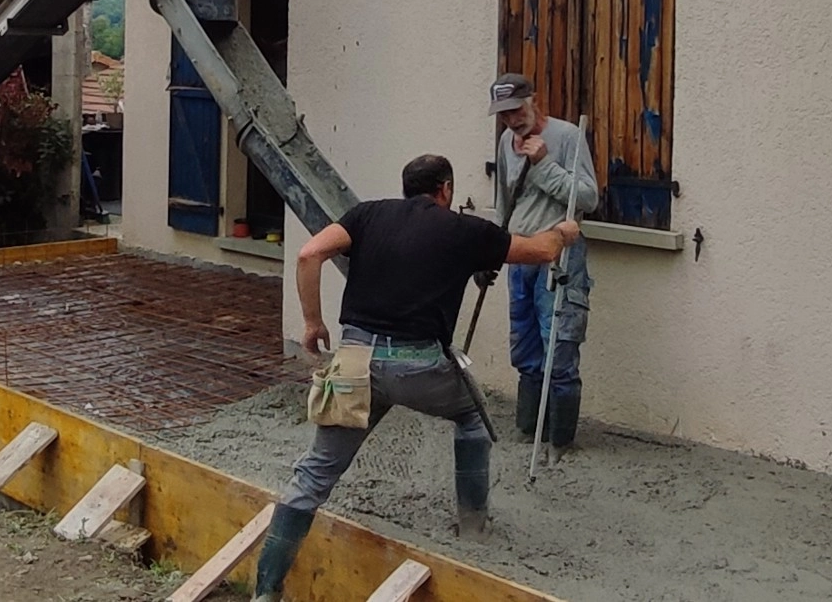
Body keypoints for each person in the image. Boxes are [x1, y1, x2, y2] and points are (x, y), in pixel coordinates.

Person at [251, 154, 580, 602]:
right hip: (419, 367)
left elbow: (310, 254)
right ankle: (472, 528)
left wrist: (312, 322)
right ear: (445, 189)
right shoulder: (465, 231)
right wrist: (564, 231)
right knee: (471, 419)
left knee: (312, 477)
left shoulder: (368, 214)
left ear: (406, 187)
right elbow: (541, 252)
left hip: (355, 363)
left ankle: (266, 592)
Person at [485, 72, 599, 455]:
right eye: (504, 115)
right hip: (519, 252)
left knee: (560, 344)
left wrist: (545, 164)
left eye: (516, 110)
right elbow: (504, 197)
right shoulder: (506, 140)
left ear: (534, 100)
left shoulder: (567, 137)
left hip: (559, 254)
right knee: (525, 344)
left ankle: (560, 440)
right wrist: (495, 247)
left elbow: (587, 197)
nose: (512, 121)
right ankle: (528, 430)